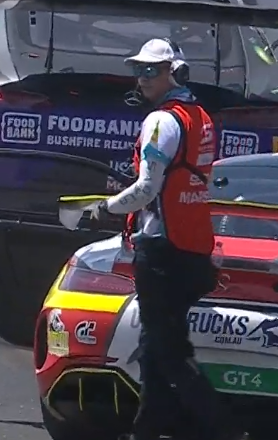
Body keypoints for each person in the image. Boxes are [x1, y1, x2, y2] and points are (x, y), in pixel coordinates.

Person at [88, 38, 246, 440]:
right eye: (138, 70)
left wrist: (106, 208)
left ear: (174, 73)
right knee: (154, 349)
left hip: (163, 252)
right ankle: (145, 431)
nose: (141, 79)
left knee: (171, 354)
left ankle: (229, 432)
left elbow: (146, 189)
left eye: (150, 71)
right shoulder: (200, 117)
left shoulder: (161, 121)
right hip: (192, 246)